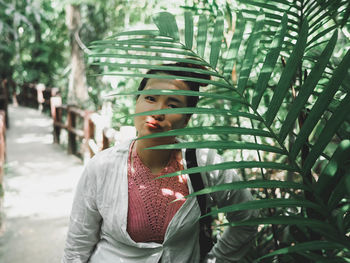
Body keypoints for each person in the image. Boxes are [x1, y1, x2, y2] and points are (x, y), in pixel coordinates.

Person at [62, 61, 257, 263]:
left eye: (172, 104)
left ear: (187, 118)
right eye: (151, 98)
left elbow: (247, 218)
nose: (158, 111)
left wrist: (217, 259)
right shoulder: (102, 167)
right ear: (137, 102)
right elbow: (77, 249)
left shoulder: (204, 164)